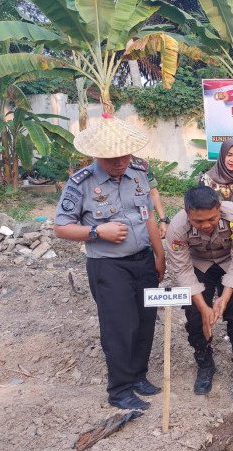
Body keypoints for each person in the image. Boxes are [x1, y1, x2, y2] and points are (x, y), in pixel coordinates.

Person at [54, 114, 165, 410]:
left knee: (145, 321)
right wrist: (96, 231)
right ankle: (120, 390)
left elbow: (149, 217)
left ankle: (139, 376)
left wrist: (160, 254)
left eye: (124, 156)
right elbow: (61, 227)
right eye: (112, 158)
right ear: (97, 154)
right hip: (109, 266)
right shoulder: (82, 183)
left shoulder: (139, 172)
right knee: (119, 326)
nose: (120, 162)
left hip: (144, 263)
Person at [165, 186, 233, 401]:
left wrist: (224, 297)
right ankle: (204, 362)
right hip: (198, 263)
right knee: (195, 316)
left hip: (231, 261)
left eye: (211, 219)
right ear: (187, 213)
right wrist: (204, 307)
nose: (205, 225)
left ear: (219, 208)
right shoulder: (176, 229)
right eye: (198, 222)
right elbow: (183, 270)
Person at [131, 156, 170, 238]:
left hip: (142, 225)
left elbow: (153, 192)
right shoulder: (98, 168)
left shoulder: (140, 164)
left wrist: (163, 220)